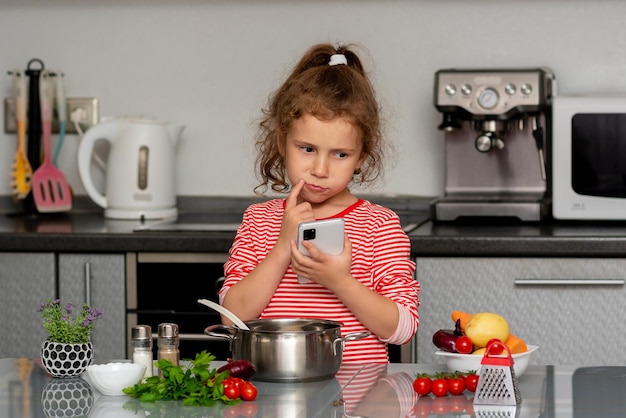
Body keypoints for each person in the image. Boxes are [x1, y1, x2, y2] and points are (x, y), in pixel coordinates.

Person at [219, 42, 420, 363]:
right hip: (270, 396)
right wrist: (284, 244)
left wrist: (339, 281)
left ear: (361, 157)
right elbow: (231, 318)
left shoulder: (379, 226)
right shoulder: (258, 221)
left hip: (356, 402)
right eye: (307, 149)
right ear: (282, 141)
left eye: (340, 154)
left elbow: (403, 328)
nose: (320, 169)